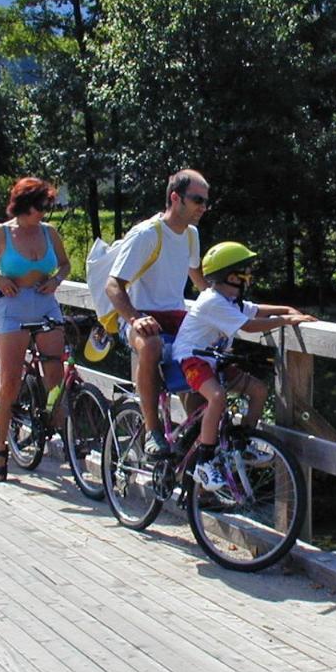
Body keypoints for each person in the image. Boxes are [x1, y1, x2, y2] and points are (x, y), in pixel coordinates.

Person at [172, 241, 316, 491]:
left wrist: (286, 309)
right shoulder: (213, 301)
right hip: (191, 359)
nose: (249, 278)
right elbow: (248, 326)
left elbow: (256, 311)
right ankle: (204, 461)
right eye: (245, 273)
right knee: (217, 397)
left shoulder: (230, 300)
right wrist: (286, 319)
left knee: (258, 390)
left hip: (213, 358)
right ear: (230, 277)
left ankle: (243, 441)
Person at [0, 177, 70, 482]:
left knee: (55, 374)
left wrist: (57, 280)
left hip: (45, 302)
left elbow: (64, 264)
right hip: (12, 305)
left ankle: (63, 439)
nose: (44, 212)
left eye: (47, 206)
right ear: (24, 205)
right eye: (40, 206)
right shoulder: (2, 233)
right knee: (9, 379)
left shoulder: (49, 232)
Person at [105, 169, 209, 458]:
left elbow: (198, 281)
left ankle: (194, 447)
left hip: (175, 316)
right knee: (151, 346)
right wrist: (136, 318)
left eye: (206, 201)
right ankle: (153, 432)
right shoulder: (147, 234)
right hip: (141, 315)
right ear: (175, 198)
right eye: (197, 199)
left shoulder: (191, 235)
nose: (203, 207)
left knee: (208, 358)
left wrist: (228, 306)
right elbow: (113, 285)